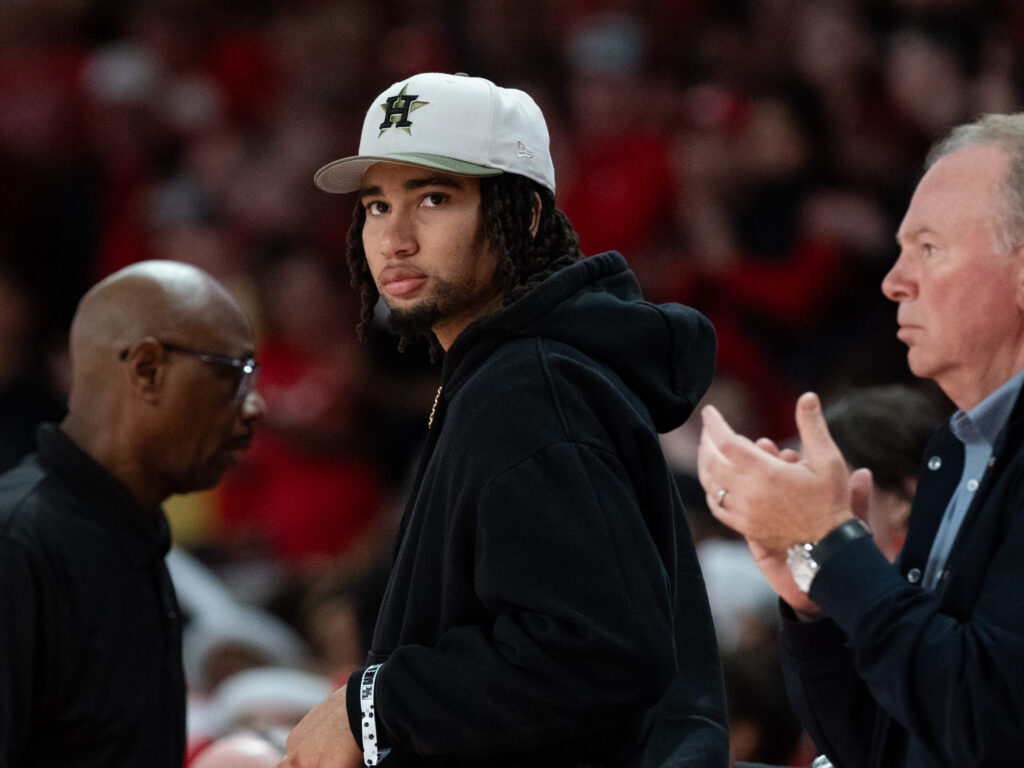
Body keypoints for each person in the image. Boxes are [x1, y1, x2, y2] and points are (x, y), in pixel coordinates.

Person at [281, 72, 728, 767]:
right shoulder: (510, 372)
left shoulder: (529, 389)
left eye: (434, 198)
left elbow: (600, 647)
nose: (394, 238)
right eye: (376, 206)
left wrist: (375, 704)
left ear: (526, 215)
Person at [697, 112, 1024, 767]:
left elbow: (987, 721)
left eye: (928, 248)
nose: (893, 280)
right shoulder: (954, 451)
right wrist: (813, 603)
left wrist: (831, 545)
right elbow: (872, 746)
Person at [0, 259, 265, 767]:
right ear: (147, 370)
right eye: (235, 373)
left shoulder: (133, 529)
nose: (256, 406)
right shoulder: (17, 545)